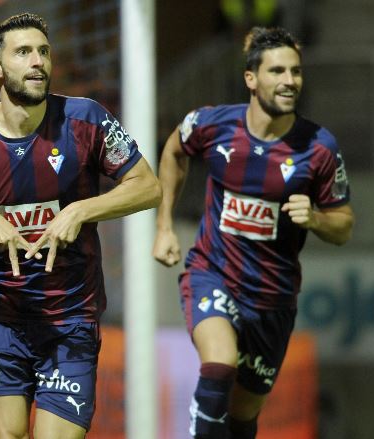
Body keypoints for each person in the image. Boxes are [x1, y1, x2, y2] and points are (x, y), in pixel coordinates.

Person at [0, 12, 160, 439]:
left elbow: (147, 187)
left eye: (43, 52)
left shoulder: (86, 120)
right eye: (23, 52)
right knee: (10, 433)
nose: (38, 61)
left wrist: (81, 210)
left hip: (71, 317)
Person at [153, 27, 354, 438]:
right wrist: (164, 225)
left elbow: (344, 225)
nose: (289, 81)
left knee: (243, 415)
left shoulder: (319, 147)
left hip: (272, 299)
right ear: (251, 78)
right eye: (277, 71)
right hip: (212, 273)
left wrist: (316, 219)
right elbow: (174, 150)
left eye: (295, 71)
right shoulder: (212, 124)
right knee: (219, 363)